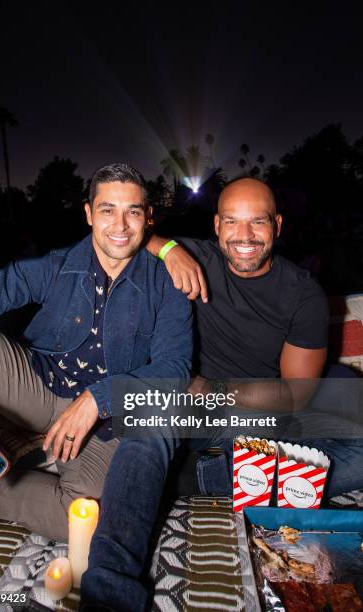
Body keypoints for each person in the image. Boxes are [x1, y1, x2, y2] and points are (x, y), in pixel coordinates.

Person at [80, 178, 363, 611]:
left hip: (260, 412)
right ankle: (110, 596)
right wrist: (169, 250)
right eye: (231, 221)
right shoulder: (196, 257)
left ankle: (196, 479)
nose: (244, 236)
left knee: (345, 386)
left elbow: (295, 397)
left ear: (278, 226)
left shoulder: (302, 292)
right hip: (193, 412)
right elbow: (130, 234)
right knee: (149, 416)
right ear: (216, 225)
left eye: (258, 222)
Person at [0, 163, 192, 542]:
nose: (120, 225)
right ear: (88, 214)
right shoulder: (58, 265)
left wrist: (100, 399)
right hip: (41, 387)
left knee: (85, 521)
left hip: (104, 424)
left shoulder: (168, 283)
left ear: (148, 217)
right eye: (107, 210)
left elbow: (174, 371)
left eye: (132, 211)